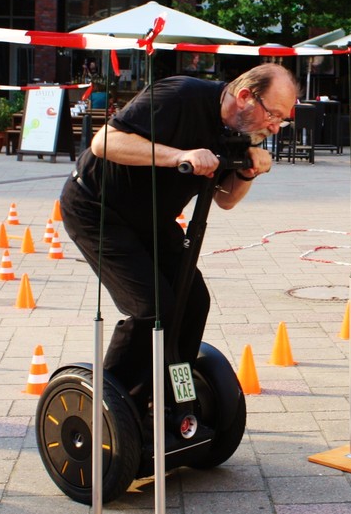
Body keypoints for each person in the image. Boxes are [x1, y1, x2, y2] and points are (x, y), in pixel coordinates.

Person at [59, 63, 298, 401]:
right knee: (153, 307)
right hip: (97, 209)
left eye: (282, 119)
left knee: (193, 299)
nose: (275, 127)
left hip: (152, 218)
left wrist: (248, 171)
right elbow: (104, 142)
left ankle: (171, 399)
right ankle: (112, 405)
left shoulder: (239, 130)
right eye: (273, 115)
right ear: (245, 96)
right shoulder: (179, 95)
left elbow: (225, 200)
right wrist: (179, 156)